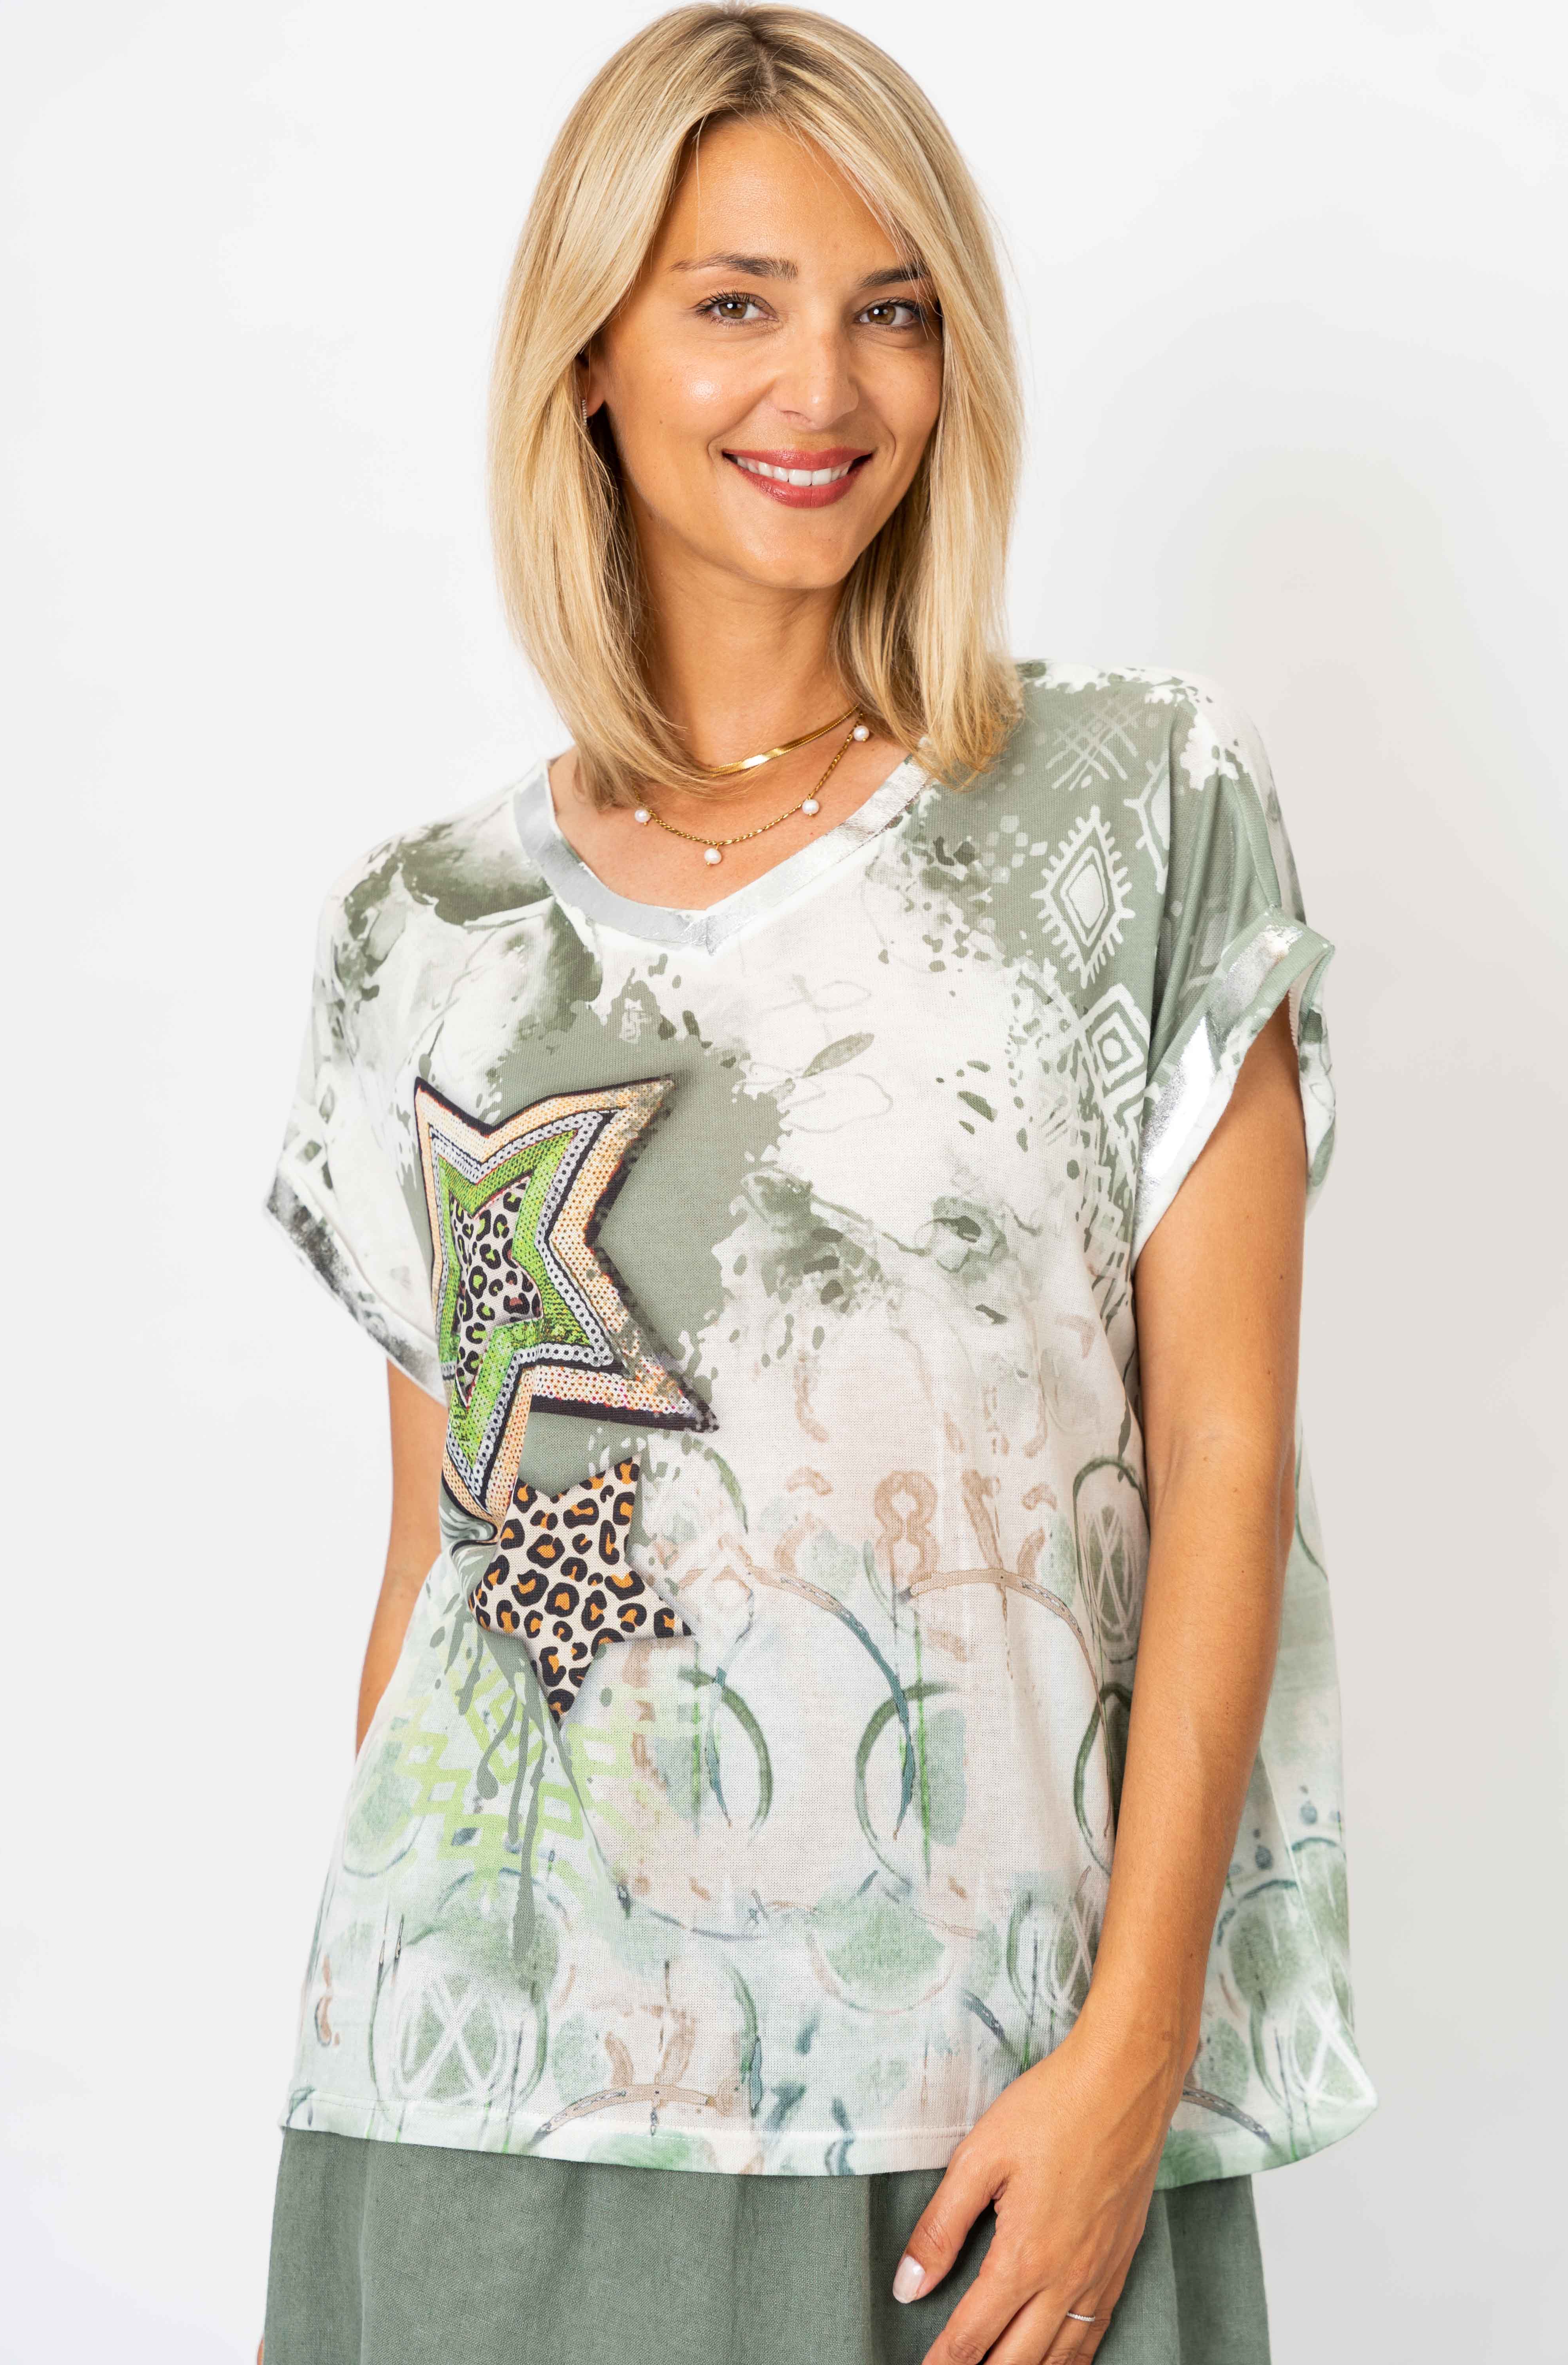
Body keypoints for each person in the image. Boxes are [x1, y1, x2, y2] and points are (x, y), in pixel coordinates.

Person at [258, 8, 1375, 2360]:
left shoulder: (1137, 809)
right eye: (735, 302)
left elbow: (1228, 1455)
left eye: (892, 309)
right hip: (490, 2112)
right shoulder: (425, 934)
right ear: (590, 356)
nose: (826, 387)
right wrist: (396, 2038)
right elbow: (441, 1558)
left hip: (986, 2112)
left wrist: (1136, 2050)